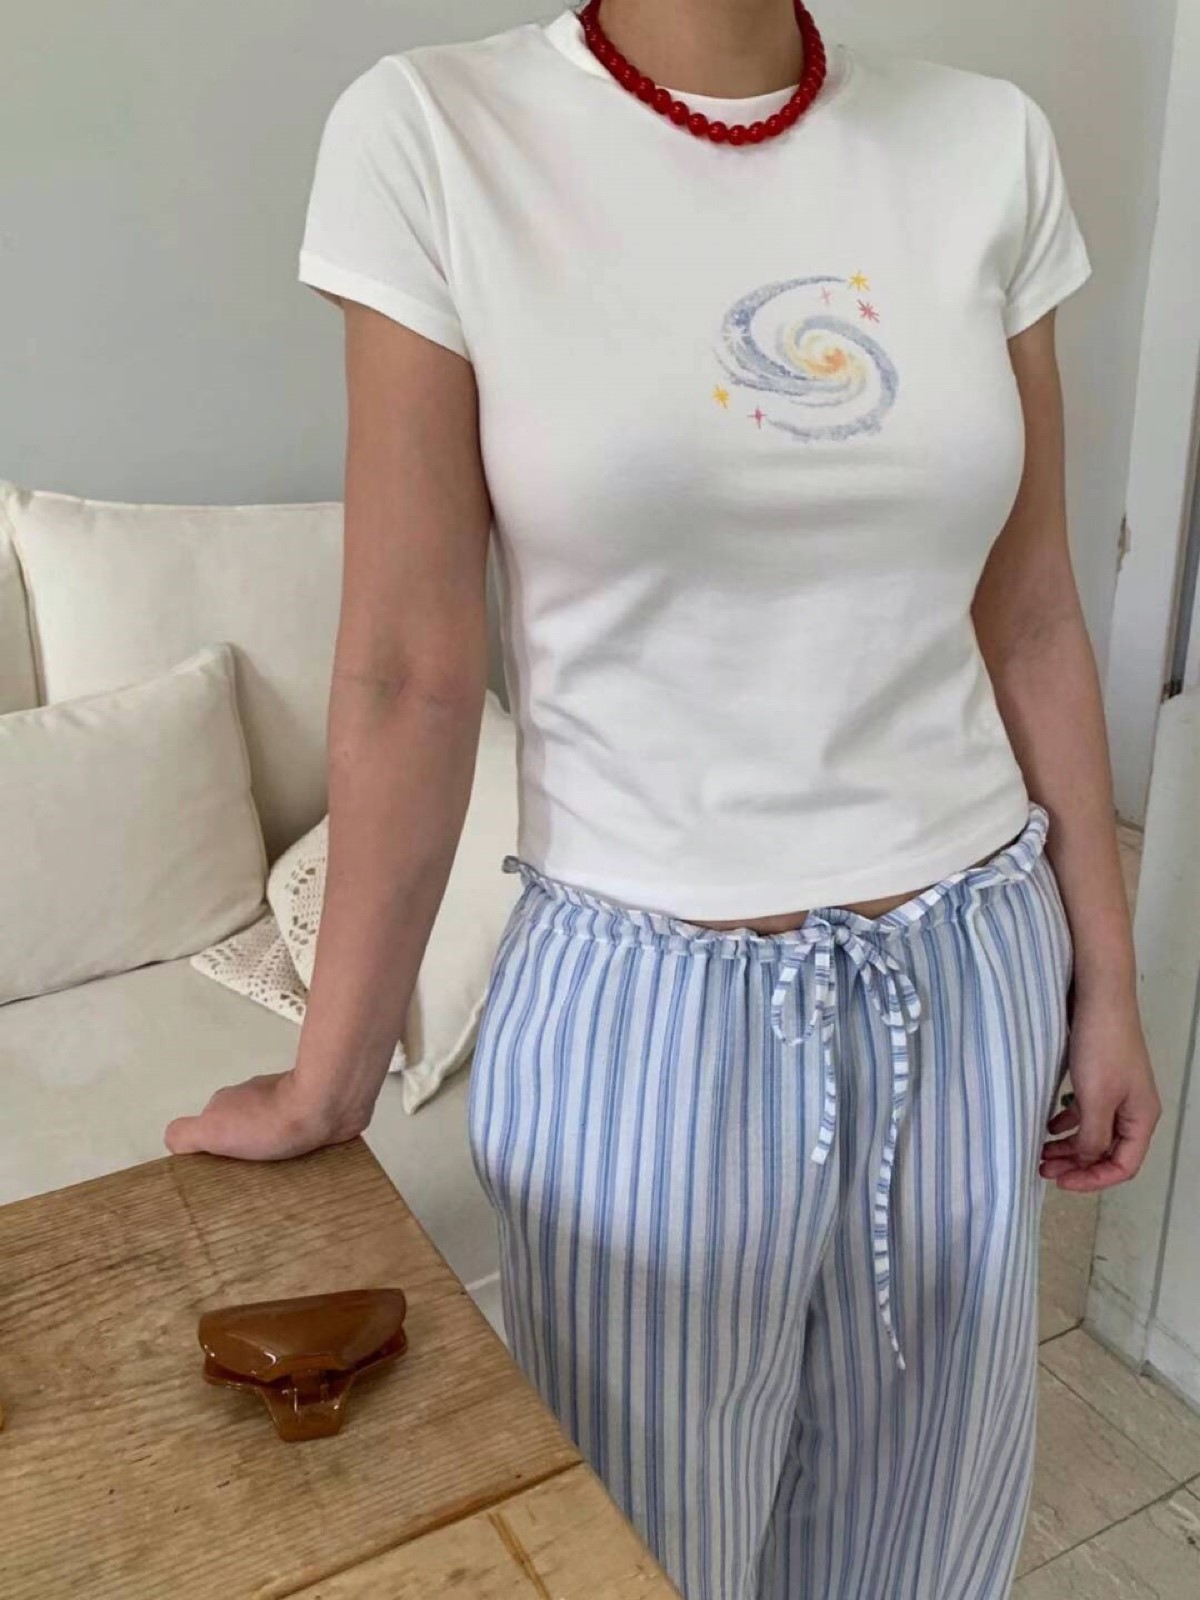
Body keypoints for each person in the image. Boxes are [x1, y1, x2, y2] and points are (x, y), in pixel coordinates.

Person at [165, 2, 1162, 1594]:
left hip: (970, 975)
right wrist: (326, 1082)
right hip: (645, 1014)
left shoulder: (992, 144)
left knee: (924, 1546)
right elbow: (413, 667)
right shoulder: (433, 132)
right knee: (639, 1554)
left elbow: (1032, 609)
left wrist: (1105, 977)